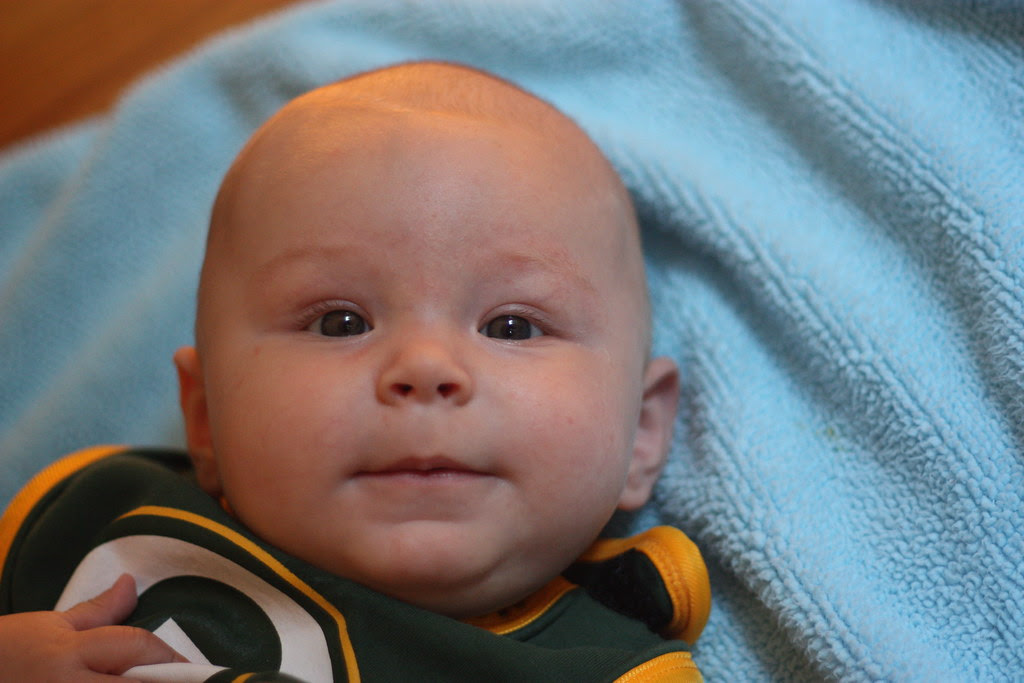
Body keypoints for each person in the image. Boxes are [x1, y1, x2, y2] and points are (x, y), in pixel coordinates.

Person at [0, 61, 710, 682]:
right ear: (207, 417)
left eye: (512, 326)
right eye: (340, 323)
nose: (425, 368)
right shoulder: (93, 519)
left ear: (642, 433)